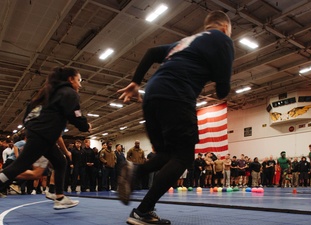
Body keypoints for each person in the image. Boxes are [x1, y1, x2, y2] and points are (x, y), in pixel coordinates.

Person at [117, 10, 234, 225]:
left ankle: (136, 174)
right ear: (225, 27)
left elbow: (152, 52)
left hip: (152, 94)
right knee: (183, 157)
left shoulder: (185, 41)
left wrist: (135, 83)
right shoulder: (222, 40)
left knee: (167, 154)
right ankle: (142, 209)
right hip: (177, 94)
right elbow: (222, 91)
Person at [0, 67, 91, 209]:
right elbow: (75, 114)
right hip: (42, 136)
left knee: (60, 162)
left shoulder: (45, 94)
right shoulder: (69, 93)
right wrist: (86, 126)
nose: (80, 84)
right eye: (78, 80)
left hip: (41, 136)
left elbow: (26, 117)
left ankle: (60, 198)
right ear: (70, 79)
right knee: (19, 166)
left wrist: (34, 129)